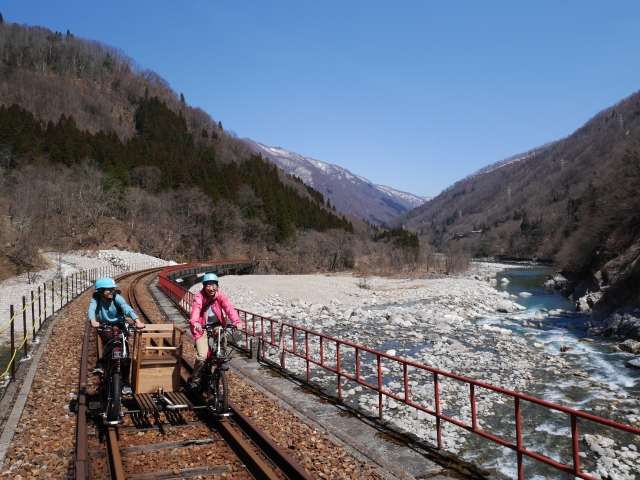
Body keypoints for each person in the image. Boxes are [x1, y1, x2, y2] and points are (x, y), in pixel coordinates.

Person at [88, 277, 145, 395]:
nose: (112, 291)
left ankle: (125, 383)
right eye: (109, 290)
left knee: (125, 356)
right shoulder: (96, 298)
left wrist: (137, 320)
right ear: (101, 291)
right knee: (110, 339)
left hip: (119, 325)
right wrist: (93, 320)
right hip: (104, 326)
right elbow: (91, 309)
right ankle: (103, 362)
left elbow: (126, 308)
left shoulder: (116, 297)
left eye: (113, 289)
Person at [189, 273, 242, 389]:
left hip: (216, 325)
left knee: (222, 336)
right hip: (200, 326)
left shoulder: (221, 296)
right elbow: (195, 310)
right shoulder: (199, 297)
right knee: (202, 356)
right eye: (208, 285)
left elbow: (229, 309)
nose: (211, 288)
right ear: (204, 286)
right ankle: (195, 379)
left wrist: (237, 322)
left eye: (214, 285)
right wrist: (195, 322)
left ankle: (221, 360)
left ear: (217, 286)